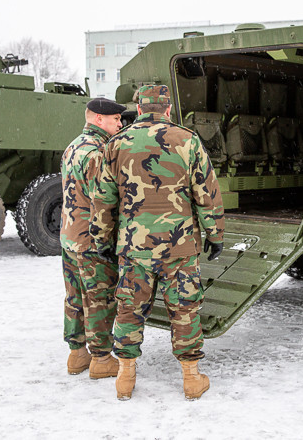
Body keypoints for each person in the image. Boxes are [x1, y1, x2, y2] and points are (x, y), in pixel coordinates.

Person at [90, 84, 225, 401]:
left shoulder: (116, 143)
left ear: (138, 109)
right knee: (185, 309)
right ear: (167, 109)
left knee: (129, 309)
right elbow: (207, 194)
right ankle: (191, 379)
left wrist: (102, 239)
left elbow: (102, 200)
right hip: (179, 246)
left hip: (133, 247)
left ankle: (125, 377)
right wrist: (215, 235)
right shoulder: (188, 140)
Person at [60, 97, 125, 379]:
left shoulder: (73, 146)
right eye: (116, 120)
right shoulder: (98, 153)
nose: (121, 124)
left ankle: (77, 355)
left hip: (70, 235)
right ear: (99, 119)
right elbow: (103, 202)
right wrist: (107, 240)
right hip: (91, 239)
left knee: (75, 296)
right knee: (99, 297)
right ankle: (101, 359)